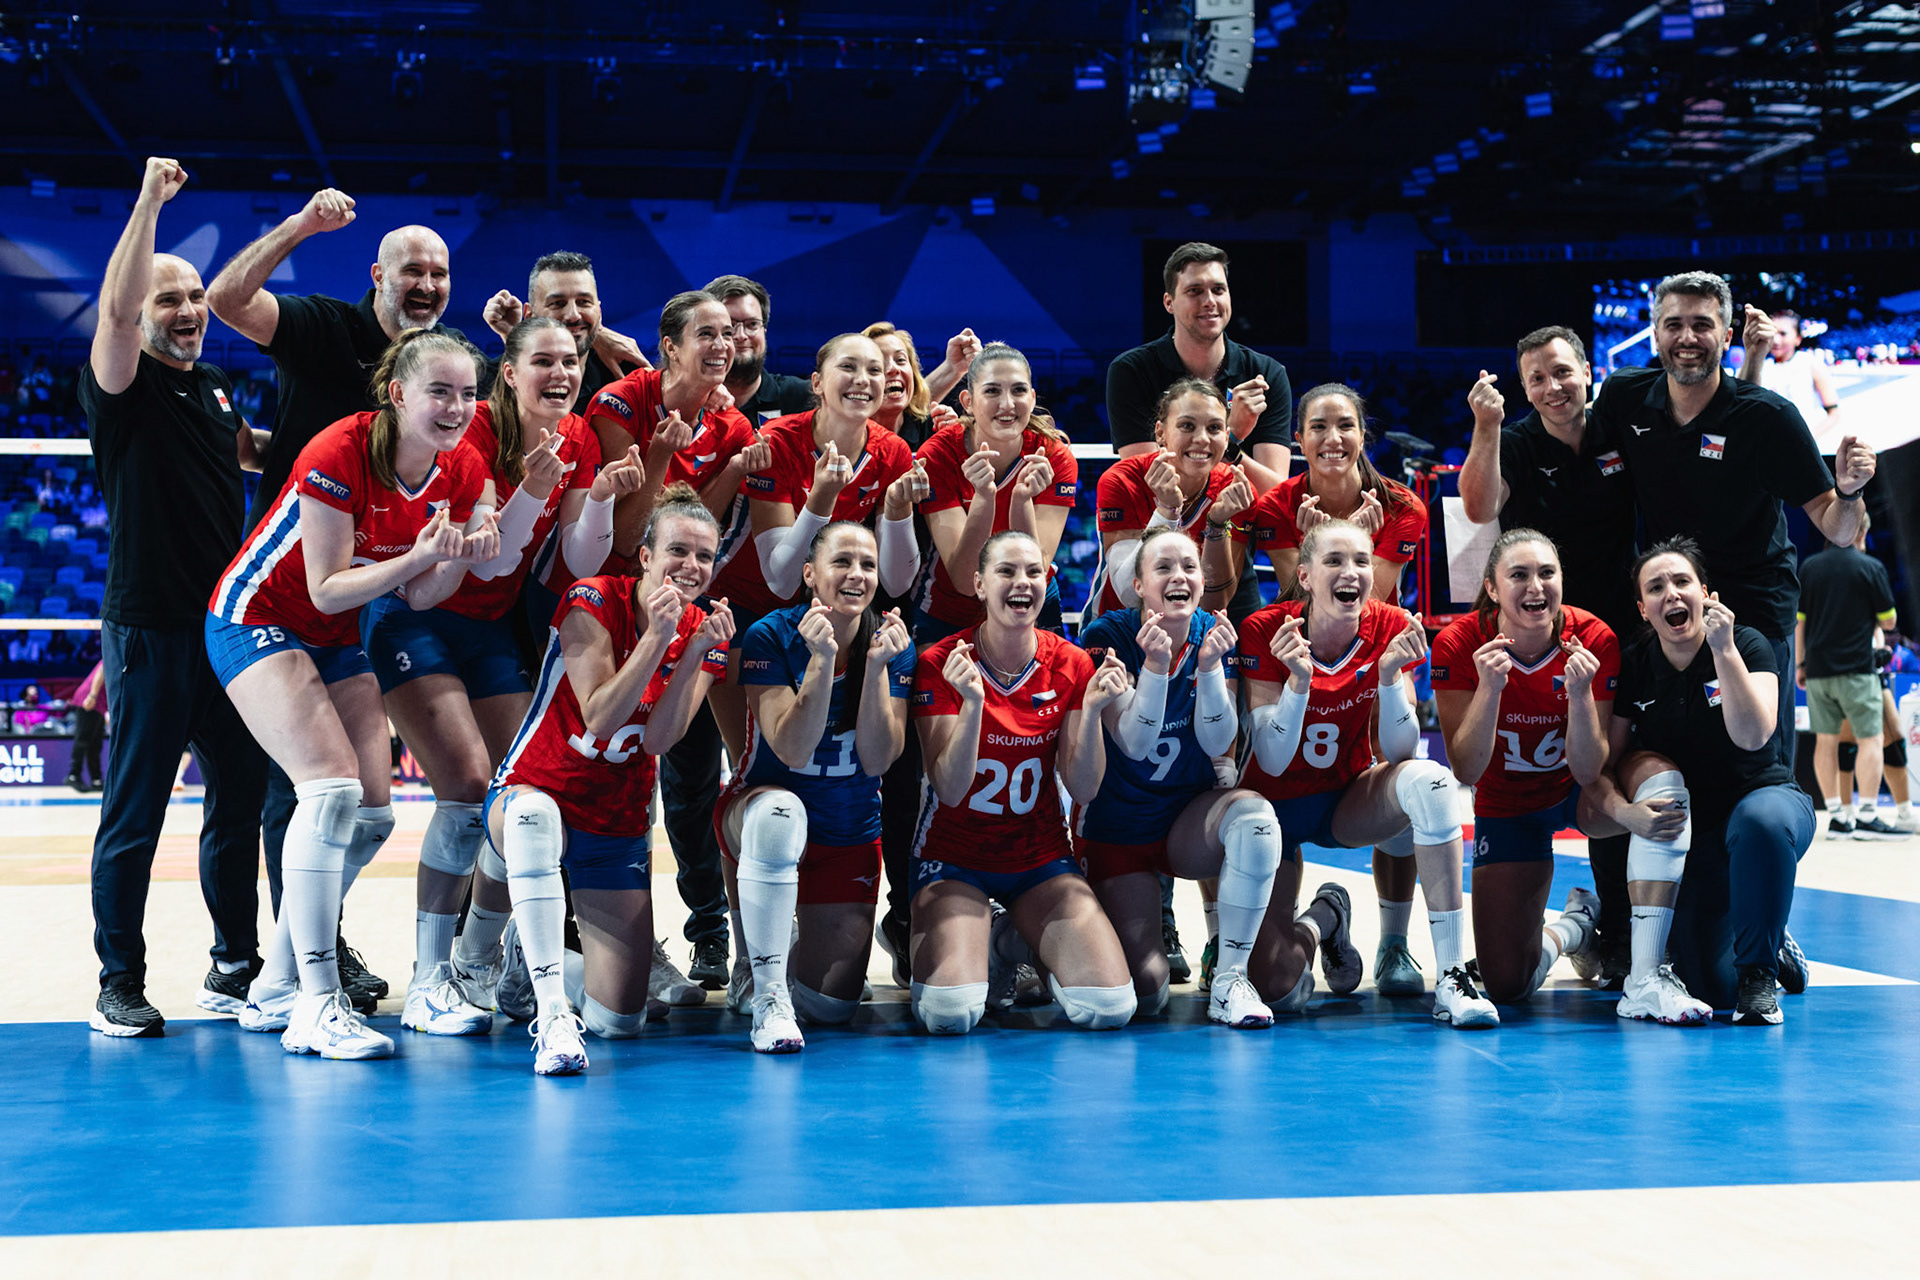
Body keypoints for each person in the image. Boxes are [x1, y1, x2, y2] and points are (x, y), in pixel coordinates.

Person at [207, 185, 473, 1005]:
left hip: (352, 605)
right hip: (278, 592)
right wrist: (302, 224)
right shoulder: (337, 389)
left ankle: (291, 966)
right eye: (411, 270)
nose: (426, 283)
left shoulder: (449, 442)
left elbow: (427, 586)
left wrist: (463, 540)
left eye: (440, 272)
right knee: (306, 791)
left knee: (364, 810)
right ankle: (281, 979)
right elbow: (227, 300)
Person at [356, 317, 623, 1036]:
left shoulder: (580, 439)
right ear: (509, 374)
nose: (561, 373)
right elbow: (482, 560)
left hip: (488, 628)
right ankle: (425, 978)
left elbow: (581, 558)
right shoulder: (468, 432)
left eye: (571, 361)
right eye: (543, 361)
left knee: (527, 794)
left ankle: (478, 962)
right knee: (469, 793)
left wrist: (596, 500)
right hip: (414, 613)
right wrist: (533, 490)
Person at [80, 157, 269, 1037]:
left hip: (226, 631)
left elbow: (258, 453)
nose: (190, 309)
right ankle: (119, 980)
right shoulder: (124, 383)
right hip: (152, 625)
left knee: (237, 804)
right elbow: (116, 312)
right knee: (136, 811)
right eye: (171, 299)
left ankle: (235, 967)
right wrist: (151, 202)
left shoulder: (211, 387)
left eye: (196, 295)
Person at [483, 484, 734, 1074]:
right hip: (536, 788)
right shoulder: (590, 598)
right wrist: (655, 638)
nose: (692, 566)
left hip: (615, 816)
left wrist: (693, 652)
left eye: (705, 556)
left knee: (619, 1021)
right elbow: (600, 713)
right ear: (645, 556)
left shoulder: (707, 632)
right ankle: (548, 1014)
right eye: (679, 550)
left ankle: (531, 958)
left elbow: (658, 741)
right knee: (533, 818)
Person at [1588, 271, 1877, 769]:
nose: (1686, 338)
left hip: (1755, 611)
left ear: (1726, 337)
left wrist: (1849, 492)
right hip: (1673, 609)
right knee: (1672, 760)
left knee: (1761, 764)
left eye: (1702, 325)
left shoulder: (1768, 418)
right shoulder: (1623, 397)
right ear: (1654, 334)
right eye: (1673, 324)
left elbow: (1839, 527)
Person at [1236, 519, 1499, 1028]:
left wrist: (1389, 679)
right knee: (1279, 988)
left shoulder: (1391, 625)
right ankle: (1325, 917)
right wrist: (1297, 683)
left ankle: (1449, 975)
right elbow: (1270, 759)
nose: (1350, 571)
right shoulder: (1267, 630)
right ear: (1306, 576)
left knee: (1430, 783)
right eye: (1333, 561)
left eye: (1361, 561)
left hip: (1346, 801)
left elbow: (1399, 751)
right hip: (1269, 816)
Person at [1220, 382, 1430, 993]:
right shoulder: (1277, 506)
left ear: (1363, 435)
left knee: (1408, 790)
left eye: (1346, 426)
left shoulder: (1401, 504)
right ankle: (1317, 919)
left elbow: (1370, 607)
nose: (1333, 439)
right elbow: (1302, 608)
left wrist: (1339, 547)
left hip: (1371, 661)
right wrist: (1334, 544)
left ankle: (1394, 944)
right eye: (1318, 427)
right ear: (1299, 439)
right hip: (1295, 666)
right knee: (1276, 981)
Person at [585, 289, 768, 987]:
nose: (724, 345)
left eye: (730, 334)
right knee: (616, 775)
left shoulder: (731, 422)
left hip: (693, 609)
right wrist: (662, 456)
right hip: (611, 610)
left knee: (699, 773)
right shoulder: (621, 405)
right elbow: (635, 535)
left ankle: (715, 938)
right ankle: (581, 941)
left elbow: (701, 532)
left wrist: (726, 469)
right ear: (669, 345)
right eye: (708, 334)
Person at [1457, 327, 1640, 987]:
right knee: (1506, 980)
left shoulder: (1623, 424)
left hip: (1616, 640)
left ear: (1588, 371)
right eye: (1536, 378)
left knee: (1610, 781)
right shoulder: (1516, 441)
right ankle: (1578, 922)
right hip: (1538, 632)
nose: (1552, 388)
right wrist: (1486, 423)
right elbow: (1478, 506)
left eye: (1562, 372)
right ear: (1524, 388)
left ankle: (1620, 933)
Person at [910, 530, 1135, 1034]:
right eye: (1007, 572)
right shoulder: (940, 662)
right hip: (954, 858)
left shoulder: (1072, 663)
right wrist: (972, 705)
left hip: (1039, 858)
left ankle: (1007, 939)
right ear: (979, 585)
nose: (1022, 583)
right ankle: (982, 934)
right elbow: (948, 787)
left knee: (1110, 1007)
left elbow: (1085, 788)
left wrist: (1095, 710)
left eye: (1034, 572)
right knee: (950, 1015)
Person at [1076, 527, 1299, 1027]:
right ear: (1138, 585)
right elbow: (1134, 741)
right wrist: (1156, 666)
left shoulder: (1213, 632)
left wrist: (1212, 669)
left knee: (1256, 817)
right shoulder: (1106, 636)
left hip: (1184, 823)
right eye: (1164, 568)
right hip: (1117, 828)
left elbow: (1220, 741)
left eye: (1190, 567)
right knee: (1146, 991)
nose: (1179, 576)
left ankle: (1230, 980)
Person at [1586, 538, 1815, 1025]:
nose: (1671, 594)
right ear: (1644, 609)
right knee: (1711, 987)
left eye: (1682, 582)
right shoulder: (1636, 665)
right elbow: (1609, 763)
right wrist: (1625, 813)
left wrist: (1724, 650)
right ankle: (1768, 934)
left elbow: (1753, 736)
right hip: (1696, 831)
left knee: (1761, 822)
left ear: (1706, 593)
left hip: (1765, 800)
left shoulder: (1748, 643)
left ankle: (1760, 972)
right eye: (1656, 587)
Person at [716, 523, 915, 1051]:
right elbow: (792, 749)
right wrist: (823, 660)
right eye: (842, 562)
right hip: (760, 814)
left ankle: (780, 944)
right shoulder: (769, 634)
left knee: (832, 1007)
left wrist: (875, 668)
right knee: (782, 814)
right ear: (810, 575)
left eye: (868, 565)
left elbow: (878, 759)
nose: (856, 575)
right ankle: (763, 987)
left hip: (847, 829)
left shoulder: (893, 644)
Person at [702, 332, 922, 763]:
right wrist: (821, 497)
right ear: (817, 384)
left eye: (874, 370)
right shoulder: (777, 440)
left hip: (819, 611)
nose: (863, 379)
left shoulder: (892, 451)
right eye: (849, 367)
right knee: (749, 758)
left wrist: (896, 510)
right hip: (742, 605)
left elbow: (896, 581)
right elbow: (781, 578)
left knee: (809, 753)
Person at [1430, 530, 1615, 1004]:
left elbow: (1593, 768)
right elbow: (1466, 771)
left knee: (1656, 795)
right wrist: (1490, 689)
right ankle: (1574, 926)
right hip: (1507, 804)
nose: (1536, 587)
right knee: (1508, 985)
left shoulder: (1593, 638)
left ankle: (1672, 939)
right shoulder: (1459, 643)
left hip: (1578, 794)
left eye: (1547, 573)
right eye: (1519, 575)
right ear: (1492, 588)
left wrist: (1578, 695)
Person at [1107, 243, 1293, 629]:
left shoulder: (1267, 374)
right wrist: (1230, 433)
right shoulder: (1131, 371)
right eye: (1194, 291)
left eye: (1218, 289)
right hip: (1153, 555)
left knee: (1229, 686)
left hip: (1231, 561)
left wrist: (1232, 444)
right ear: (1169, 302)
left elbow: (1274, 494)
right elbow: (1149, 478)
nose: (1209, 301)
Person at [913, 344, 1079, 643]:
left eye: (1018, 391)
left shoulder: (1055, 455)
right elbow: (965, 581)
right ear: (968, 401)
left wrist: (1021, 501)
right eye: (991, 391)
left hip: (1028, 605)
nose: (1007, 404)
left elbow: (1034, 569)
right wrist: (984, 498)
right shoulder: (938, 455)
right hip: (951, 610)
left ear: (1032, 398)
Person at [1796, 514, 1901, 838]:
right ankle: (1868, 815)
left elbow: (1800, 622)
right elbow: (1889, 622)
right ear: (1863, 532)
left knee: (1825, 742)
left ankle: (1839, 817)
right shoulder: (1871, 568)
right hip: (1857, 671)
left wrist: (1801, 664)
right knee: (1871, 740)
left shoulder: (1810, 568)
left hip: (1818, 673)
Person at [482, 250, 651, 411]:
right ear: (530, 314)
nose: (573, 315)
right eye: (557, 303)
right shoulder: (490, 381)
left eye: (584, 302)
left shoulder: (625, 377)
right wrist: (513, 336)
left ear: (599, 311)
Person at [703, 275, 817, 424]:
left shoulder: (802, 397)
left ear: (764, 330)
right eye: (729, 326)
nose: (741, 335)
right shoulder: (688, 401)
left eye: (752, 324)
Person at [1748, 309, 1842, 438]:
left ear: (1798, 338)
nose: (1776, 340)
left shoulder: (1810, 363)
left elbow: (1834, 413)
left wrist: (1808, 438)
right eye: (1773, 333)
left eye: (1783, 334)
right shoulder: (1761, 365)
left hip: (1802, 447)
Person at [67, 659, 106, 792]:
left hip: (100, 704)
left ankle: (96, 779)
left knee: (95, 743)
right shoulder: (118, 649)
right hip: (90, 700)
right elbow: (102, 669)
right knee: (83, 739)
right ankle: (73, 775)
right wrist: (93, 696)